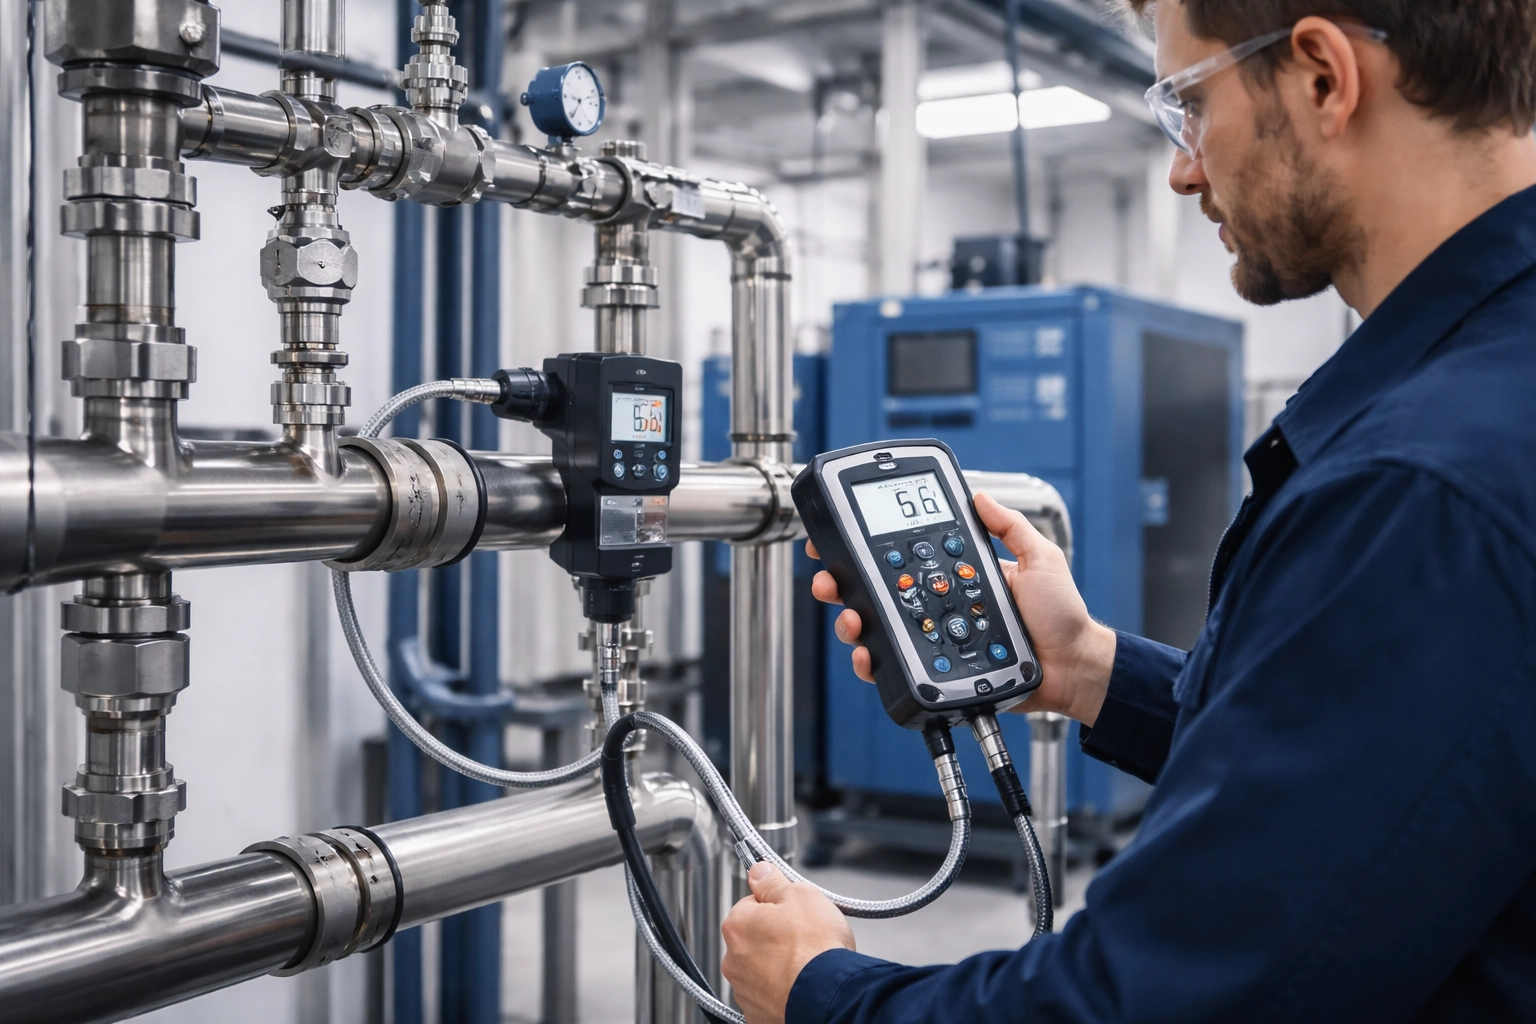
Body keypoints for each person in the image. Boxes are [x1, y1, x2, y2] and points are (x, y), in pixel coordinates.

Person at [718, 1, 1536, 1021]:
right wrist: (1095, 670)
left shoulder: (1420, 486)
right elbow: (1393, 781)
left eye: (1190, 105)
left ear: (1324, 76)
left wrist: (823, 992)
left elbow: (1159, 998)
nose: (1183, 170)